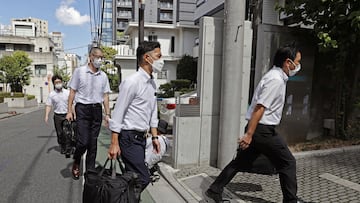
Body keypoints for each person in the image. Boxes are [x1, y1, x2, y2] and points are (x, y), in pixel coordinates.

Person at [205, 45, 302, 203]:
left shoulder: (276, 77)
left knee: (240, 162)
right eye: (297, 62)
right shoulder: (276, 80)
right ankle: (291, 200)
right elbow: (260, 107)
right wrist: (249, 134)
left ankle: (215, 189)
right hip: (262, 130)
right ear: (288, 62)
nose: (298, 66)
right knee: (288, 162)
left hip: (259, 129)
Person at [108, 41, 162, 191]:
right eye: (158, 56)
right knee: (142, 178)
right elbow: (118, 113)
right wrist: (114, 142)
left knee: (132, 178)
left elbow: (152, 112)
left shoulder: (152, 83)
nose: (161, 59)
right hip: (128, 138)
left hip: (141, 138)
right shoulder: (131, 82)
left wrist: (155, 137)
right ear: (147, 57)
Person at [66, 47, 111, 180]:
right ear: (90, 57)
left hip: (96, 110)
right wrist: (69, 111)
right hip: (82, 109)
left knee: (93, 143)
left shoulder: (103, 76)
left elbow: (106, 96)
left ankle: (90, 173)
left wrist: (107, 114)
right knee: (83, 142)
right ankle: (77, 160)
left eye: (102, 57)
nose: (100, 60)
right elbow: (72, 92)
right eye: (97, 57)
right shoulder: (79, 72)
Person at [45, 75, 70, 155]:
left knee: (67, 132)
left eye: (59, 82)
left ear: (62, 82)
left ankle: (68, 147)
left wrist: (73, 113)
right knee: (60, 133)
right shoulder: (52, 94)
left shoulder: (67, 92)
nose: (58, 84)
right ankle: (62, 146)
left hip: (67, 114)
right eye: (56, 82)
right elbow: (48, 105)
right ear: (54, 84)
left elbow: (72, 103)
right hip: (57, 116)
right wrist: (46, 115)